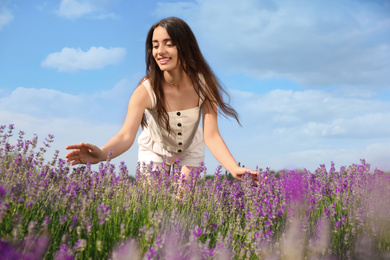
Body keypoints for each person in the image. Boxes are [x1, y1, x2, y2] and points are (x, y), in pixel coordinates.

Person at [65, 17, 258, 182]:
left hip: (191, 147)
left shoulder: (205, 83)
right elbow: (125, 136)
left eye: (169, 43)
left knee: (183, 207)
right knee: (155, 206)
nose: (160, 51)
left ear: (185, 46)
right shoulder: (145, 90)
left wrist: (234, 168)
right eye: (155, 45)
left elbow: (212, 135)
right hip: (155, 149)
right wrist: (101, 154)